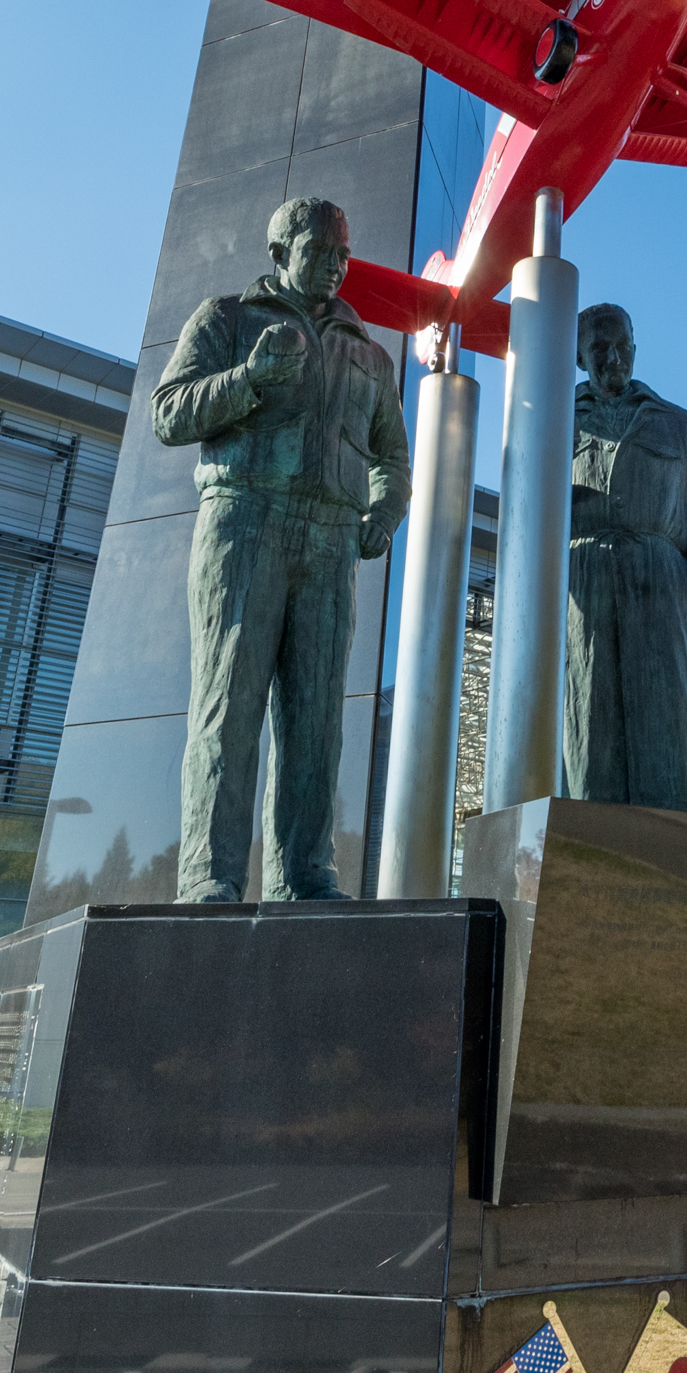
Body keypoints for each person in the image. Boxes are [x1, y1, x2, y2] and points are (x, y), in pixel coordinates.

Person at [151, 197, 409, 900]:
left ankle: (305, 872)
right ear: (281, 253)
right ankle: (210, 876)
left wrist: (384, 511)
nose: (335, 265)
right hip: (245, 520)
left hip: (330, 540)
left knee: (317, 717)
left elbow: (394, 456)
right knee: (229, 704)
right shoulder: (226, 319)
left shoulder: (370, 355)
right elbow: (168, 414)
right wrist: (248, 380)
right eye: (320, 251)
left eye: (343, 254)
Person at [563, 304, 687, 813]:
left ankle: (677, 857)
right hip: (584, 583)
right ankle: (595, 853)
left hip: (659, 581)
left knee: (669, 724)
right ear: (577, 355)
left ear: (635, 345)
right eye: (598, 349)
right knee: (589, 728)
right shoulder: (553, 419)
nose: (613, 358)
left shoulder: (681, 426)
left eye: (622, 346)